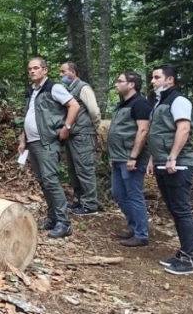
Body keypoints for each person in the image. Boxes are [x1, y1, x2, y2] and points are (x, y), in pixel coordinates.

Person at [17, 58, 80, 238]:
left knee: (51, 180)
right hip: (33, 143)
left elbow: (74, 105)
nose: (32, 71)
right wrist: (23, 140)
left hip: (47, 142)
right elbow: (28, 116)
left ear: (45, 70)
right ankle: (52, 217)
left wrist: (66, 128)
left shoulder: (54, 87)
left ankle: (64, 222)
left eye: (36, 68)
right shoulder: (32, 91)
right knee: (43, 181)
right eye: (30, 69)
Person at [149, 64, 193, 275]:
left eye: (157, 77)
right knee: (175, 210)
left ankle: (189, 259)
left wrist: (172, 157)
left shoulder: (179, 100)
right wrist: (153, 159)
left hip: (178, 163)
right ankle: (183, 252)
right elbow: (159, 133)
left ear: (170, 80)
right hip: (163, 163)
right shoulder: (160, 102)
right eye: (152, 77)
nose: (153, 81)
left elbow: (183, 128)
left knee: (182, 210)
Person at [107, 71, 152, 247]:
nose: (116, 84)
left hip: (131, 158)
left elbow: (143, 131)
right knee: (118, 194)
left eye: (120, 81)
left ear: (131, 84)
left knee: (134, 195)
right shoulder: (122, 105)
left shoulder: (140, 104)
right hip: (119, 158)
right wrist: (113, 156)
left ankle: (141, 234)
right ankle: (134, 228)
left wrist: (134, 157)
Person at [59, 62, 101, 215]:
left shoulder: (83, 88)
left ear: (73, 72)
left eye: (63, 72)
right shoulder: (70, 89)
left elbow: (94, 111)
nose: (61, 75)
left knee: (84, 169)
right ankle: (79, 200)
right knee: (73, 170)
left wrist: (94, 128)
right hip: (72, 135)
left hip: (83, 135)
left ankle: (90, 204)